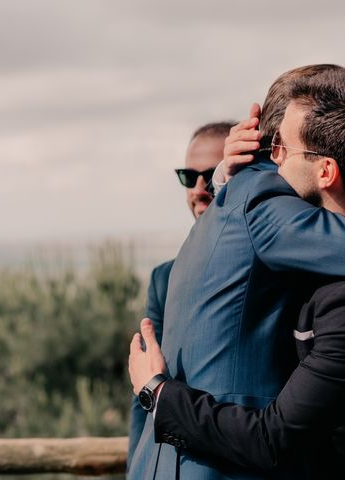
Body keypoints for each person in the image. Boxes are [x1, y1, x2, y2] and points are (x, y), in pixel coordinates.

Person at [127, 64, 345, 480]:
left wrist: (158, 392)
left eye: (279, 146)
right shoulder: (301, 228)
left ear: (326, 171)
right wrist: (227, 174)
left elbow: (273, 440)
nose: (271, 155)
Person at [127, 122, 234, 467]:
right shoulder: (164, 277)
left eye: (212, 175)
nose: (199, 189)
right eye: (189, 176)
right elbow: (141, 392)